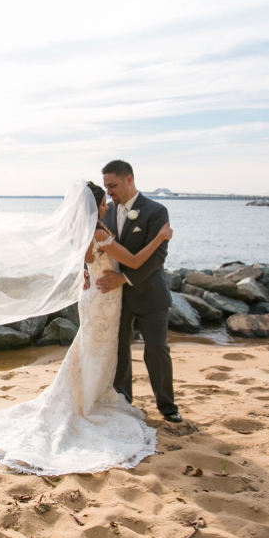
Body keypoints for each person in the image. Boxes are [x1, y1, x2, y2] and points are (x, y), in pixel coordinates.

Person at [0, 182, 173, 475]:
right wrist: (160, 237)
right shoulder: (99, 232)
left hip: (95, 298)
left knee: (91, 350)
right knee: (96, 350)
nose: (106, 207)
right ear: (93, 207)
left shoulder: (80, 232)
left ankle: (89, 395)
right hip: (104, 300)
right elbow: (131, 260)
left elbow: (86, 259)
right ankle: (88, 402)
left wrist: (84, 270)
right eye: (102, 203)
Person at [94, 160, 181, 423]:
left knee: (156, 350)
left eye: (113, 185)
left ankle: (167, 406)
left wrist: (124, 279)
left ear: (129, 180)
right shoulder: (107, 212)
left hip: (151, 295)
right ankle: (123, 402)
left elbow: (157, 257)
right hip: (116, 299)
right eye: (106, 186)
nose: (109, 192)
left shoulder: (156, 211)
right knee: (119, 350)